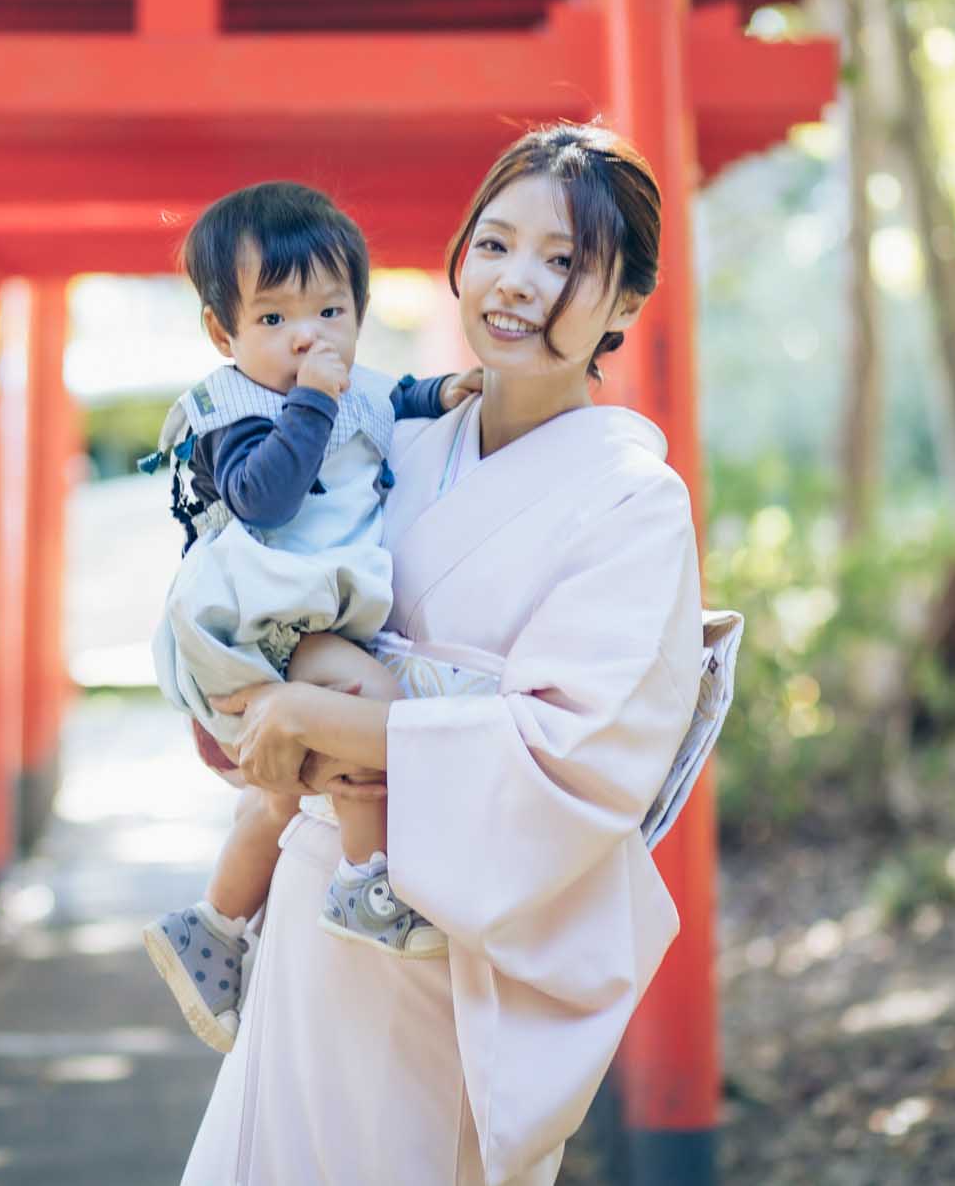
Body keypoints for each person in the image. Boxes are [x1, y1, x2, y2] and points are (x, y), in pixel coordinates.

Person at [181, 122, 734, 1185]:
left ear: (625, 303)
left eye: (565, 260)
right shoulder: (384, 438)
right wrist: (249, 707)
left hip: (444, 941)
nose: (516, 281)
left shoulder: (632, 501)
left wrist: (323, 720)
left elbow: (572, 756)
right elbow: (260, 590)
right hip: (313, 903)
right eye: (494, 243)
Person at [139, 182, 483, 1054]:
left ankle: (212, 929)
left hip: (298, 619)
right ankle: (370, 885)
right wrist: (313, 402)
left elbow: (398, 396)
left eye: (330, 309)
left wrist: (449, 393)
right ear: (225, 334)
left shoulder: (351, 386)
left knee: (284, 794)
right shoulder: (234, 412)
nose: (307, 336)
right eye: (274, 318)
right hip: (255, 619)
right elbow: (263, 499)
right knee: (372, 706)